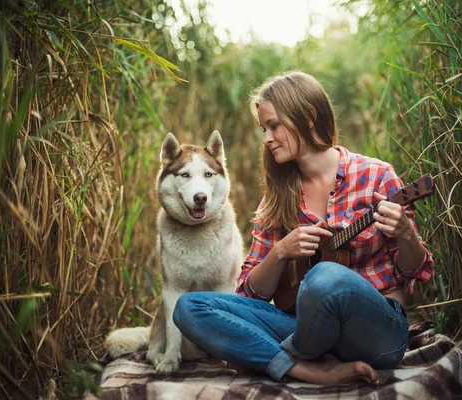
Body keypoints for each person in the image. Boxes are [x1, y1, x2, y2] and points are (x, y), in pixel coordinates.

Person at [173, 71, 434, 385]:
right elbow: (249, 293)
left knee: (326, 277)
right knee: (189, 306)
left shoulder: (377, 175)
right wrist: (281, 252)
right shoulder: (275, 201)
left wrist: (406, 235)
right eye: (263, 129)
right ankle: (306, 369)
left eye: (274, 125)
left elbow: (413, 268)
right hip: (304, 326)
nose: (267, 138)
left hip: (376, 334)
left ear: (308, 117)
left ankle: (279, 355)